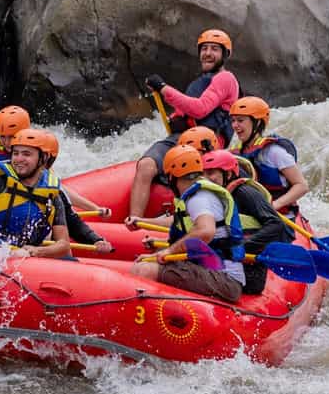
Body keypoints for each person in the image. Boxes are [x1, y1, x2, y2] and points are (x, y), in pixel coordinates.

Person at [126, 29, 240, 222]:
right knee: (146, 165)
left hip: (206, 143)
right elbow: (185, 111)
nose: (208, 53)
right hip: (182, 139)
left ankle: (184, 220)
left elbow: (201, 109)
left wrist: (163, 88)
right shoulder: (198, 83)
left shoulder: (225, 78)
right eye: (204, 49)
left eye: (214, 49)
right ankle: (133, 222)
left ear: (224, 54)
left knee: (186, 179)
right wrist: (176, 118)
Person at [0, 128, 110, 258]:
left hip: (29, 257)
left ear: (42, 158)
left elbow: (63, 244)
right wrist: (1, 251)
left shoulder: (52, 195)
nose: (19, 159)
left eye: (26, 154)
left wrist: (36, 251)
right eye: (16, 153)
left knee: (72, 265)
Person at [131, 145, 244, 303]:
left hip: (225, 279)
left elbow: (205, 231)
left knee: (142, 270)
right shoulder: (198, 194)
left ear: (171, 177)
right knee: (152, 257)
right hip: (215, 270)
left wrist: (170, 250)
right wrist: (159, 249)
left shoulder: (199, 197)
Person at [201, 149, 296, 296]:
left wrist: (241, 247)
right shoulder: (213, 196)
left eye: (211, 173)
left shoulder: (245, 193)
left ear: (228, 174)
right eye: (204, 174)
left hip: (250, 273)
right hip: (226, 263)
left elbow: (276, 225)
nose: (206, 179)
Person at [226, 96, 307, 215]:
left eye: (240, 120)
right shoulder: (234, 152)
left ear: (257, 122)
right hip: (251, 211)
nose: (234, 125)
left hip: (279, 213)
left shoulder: (274, 152)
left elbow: (302, 185)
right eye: (233, 121)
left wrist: (274, 205)